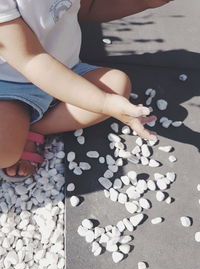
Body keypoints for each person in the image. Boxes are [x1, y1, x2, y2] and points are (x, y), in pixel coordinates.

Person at [0, 0, 174, 181]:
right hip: (11, 83)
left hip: (66, 68)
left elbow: (88, 7)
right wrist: (104, 102)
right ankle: (18, 126)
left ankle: (32, 127)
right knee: (5, 153)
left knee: (116, 85)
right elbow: (30, 59)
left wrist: (143, 3)